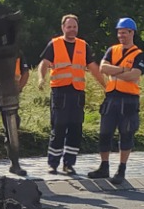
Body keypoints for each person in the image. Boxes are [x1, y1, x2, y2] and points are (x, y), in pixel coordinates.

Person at [36, 14, 99, 174]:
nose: (72, 30)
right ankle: (53, 163)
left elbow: (93, 68)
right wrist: (41, 78)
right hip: (60, 93)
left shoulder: (83, 46)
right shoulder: (54, 44)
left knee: (75, 129)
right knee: (58, 127)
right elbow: (44, 63)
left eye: (74, 27)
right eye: (69, 27)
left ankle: (69, 164)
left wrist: (107, 86)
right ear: (63, 28)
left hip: (77, 93)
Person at [88, 17, 144, 184]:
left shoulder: (138, 54)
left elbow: (134, 74)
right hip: (111, 97)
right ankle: (104, 166)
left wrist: (115, 72)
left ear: (131, 33)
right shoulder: (112, 50)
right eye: (119, 33)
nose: (121, 36)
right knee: (104, 133)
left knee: (126, 134)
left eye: (124, 33)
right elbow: (103, 68)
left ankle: (121, 169)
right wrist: (122, 70)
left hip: (129, 99)